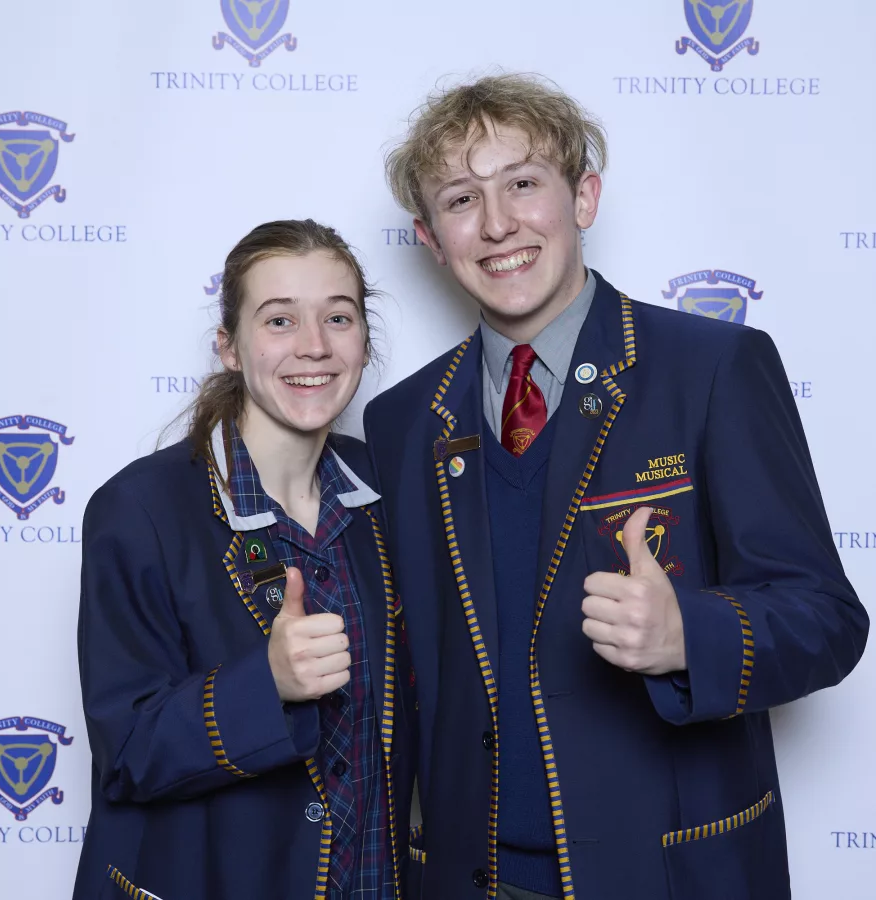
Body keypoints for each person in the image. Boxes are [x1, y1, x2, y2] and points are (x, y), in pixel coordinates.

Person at [363, 74, 868, 900]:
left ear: (584, 197)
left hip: (670, 875)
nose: (497, 225)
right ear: (429, 238)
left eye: (523, 184)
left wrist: (690, 637)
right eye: (461, 200)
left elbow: (826, 619)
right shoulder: (400, 421)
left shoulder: (713, 370)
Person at [74, 220, 416, 900]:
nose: (314, 346)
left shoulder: (393, 496)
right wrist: (267, 683)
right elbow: (127, 754)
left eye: (338, 317)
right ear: (228, 347)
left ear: (364, 340)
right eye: (280, 320)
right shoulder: (139, 510)